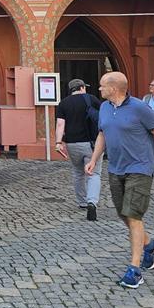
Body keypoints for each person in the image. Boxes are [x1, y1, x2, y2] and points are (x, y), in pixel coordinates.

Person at [85, 71, 154, 288]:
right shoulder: (105, 107)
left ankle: (134, 270)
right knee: (124, 214)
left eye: (102, 86)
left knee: (133, 216)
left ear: (114, 88)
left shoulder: (140, 108)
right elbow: (102, 134)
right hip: (116, 168)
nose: (99, 89)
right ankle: (150, 245)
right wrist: (94, 159)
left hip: (140, 168)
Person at [55, 78, 103, 220]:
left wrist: (58, 142)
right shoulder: (92, 99)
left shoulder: (63, 103)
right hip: (91, 143)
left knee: (78, 172)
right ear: (82, 87)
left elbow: (60, 124)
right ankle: (92, 202)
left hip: (72, 143)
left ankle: (82, 202)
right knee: (94, 173)